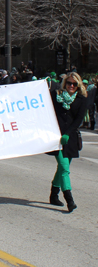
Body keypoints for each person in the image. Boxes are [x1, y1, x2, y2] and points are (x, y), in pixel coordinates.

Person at [49, 72, 87, 213]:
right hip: (56, 137)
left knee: (62, 169)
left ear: (78, 85)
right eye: (69, 83)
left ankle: (53, 195)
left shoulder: (82, 99)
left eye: (74, 84)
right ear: (65, 83)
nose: (71, 86)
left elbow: (78, 120)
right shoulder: (56, 95)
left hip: (70, 137)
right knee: (65, 168)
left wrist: (67, 133)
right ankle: (70, 201)